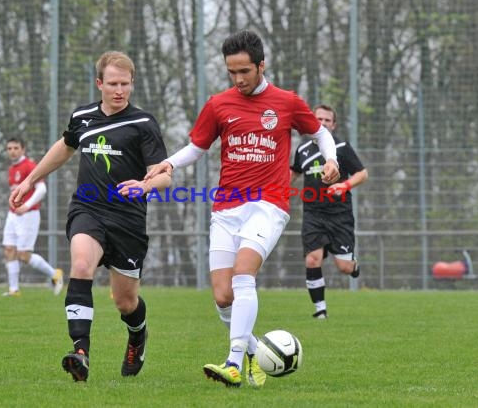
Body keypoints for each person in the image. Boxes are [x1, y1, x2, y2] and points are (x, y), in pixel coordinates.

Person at [145, 30, 340, 388]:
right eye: (231, 72)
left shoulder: (286, 102)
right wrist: (168, 164)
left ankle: (232, 362)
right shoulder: (219, 104)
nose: (238, 79)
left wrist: (332, 160)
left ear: (261, 66)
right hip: (226, 206)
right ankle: (254, 353)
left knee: (243, 274)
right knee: (222, 296)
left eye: (244, 72)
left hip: (269, 204)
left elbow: (320, 133)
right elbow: (197, 147)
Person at [9, 51, 171, 382]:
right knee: (80, 265)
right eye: (112, 83)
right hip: (88, 209)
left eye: (125, 84)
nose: (119, 90)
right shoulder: (83, 116)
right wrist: (29, 179)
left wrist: (144, 185)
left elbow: (165, 176)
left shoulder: (143, 124)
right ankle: (80, 352)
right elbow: (65, 147)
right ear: (99, 83)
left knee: (125, 301)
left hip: (127, 220)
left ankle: (138, 335)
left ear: (132, 84)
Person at [290, 104, 368, 319]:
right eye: (319, 119)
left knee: (343, 267)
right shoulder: (303, 150)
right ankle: (320, 310)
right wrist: (276, 192)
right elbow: (293, 173)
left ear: (334, 125)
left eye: (327, 120)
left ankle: (353, 266)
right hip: (313, 214)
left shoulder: (341, 147)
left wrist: (344, 185)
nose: (322, 123)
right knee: (312, 259)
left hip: (339, 215)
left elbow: (362, 174)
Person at [2, 137, 64, 297]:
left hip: (29, 215)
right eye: (9, 148)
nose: (12, 151)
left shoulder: (29, 165)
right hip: (13, 215)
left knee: (23, 255)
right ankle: (14, 290)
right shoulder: (12, 168)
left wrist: (27, 206)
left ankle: (55, 275)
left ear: (23, 149)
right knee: (9, 250)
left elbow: (42, 189)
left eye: (16, 148)